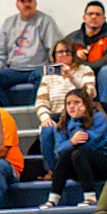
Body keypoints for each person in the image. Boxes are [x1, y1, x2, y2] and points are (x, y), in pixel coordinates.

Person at [41, 88, 107, 208]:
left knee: (78, 153)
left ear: (86, 104)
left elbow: (92, 144)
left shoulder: (99, 118)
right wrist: (71, 141)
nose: (72, 106)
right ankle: (53, 199)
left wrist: (77, 124)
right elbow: (58, 151)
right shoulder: (63, 124)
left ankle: (90, 197)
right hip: (80, 167)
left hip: (106, 164)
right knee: (66, 155)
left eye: (76, 102)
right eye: (68, 103)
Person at [0, 0, 62, 106]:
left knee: (43, 76)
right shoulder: (9, 23)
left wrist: (56, 69)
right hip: (14, 69)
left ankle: (38, 111)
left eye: (30, 1)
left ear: (35, 3)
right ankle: (7, 111)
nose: (27, 4)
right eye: (23, 1)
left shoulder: (45, 21)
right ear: (17, 4)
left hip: (39, 68)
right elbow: (0, 53)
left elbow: (54, 49)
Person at [34, 40, 96, 175]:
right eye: (60, 52)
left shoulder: (85, 70)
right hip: (56, 115)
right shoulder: (49, 75)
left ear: (73, 54)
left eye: (67, 52)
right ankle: (52, 171)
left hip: (77, 115)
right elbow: (41, 101)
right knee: (47, 129)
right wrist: (45, 118)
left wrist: (71, 78)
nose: (63, 55)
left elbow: (90, 94)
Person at [67, 0, 107, 105]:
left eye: (98, 14)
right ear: (84, 18)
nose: (94, 17)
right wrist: (74, 56)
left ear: (104, 19)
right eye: (90, 14)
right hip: (82, 79)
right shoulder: (72, 38)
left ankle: (104, 110)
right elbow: (58, 57)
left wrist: (82, 66)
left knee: (106, 70)